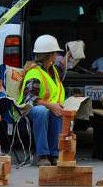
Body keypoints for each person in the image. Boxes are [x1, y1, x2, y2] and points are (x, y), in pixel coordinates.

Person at [18, 34, 69, 166]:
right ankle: (42, 155)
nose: (57, 55)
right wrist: (51, 105)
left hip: (47, 108)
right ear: (50, 55)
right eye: (56, 53)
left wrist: (69, 55)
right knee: (42, 111)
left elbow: (61, 67)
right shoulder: (34, 72)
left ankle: (54, 154)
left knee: (56, 111)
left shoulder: (52, 70)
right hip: (29, 109)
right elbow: (29, 98)